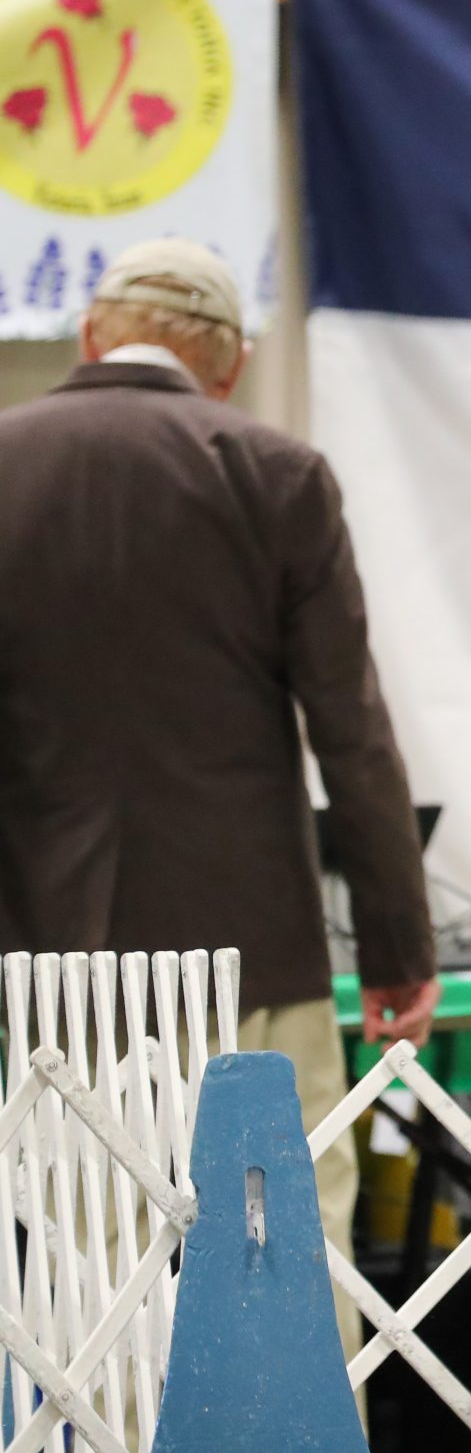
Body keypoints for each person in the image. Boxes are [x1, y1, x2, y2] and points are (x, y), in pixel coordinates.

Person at [0, 238, 441, 1353]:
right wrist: (396, 946)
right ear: (230, 364)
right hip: (253, 953)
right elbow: (350, 728)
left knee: (80, 1253)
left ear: (92, 336)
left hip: (47, 953)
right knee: (282, 1243)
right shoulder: (278, 471)